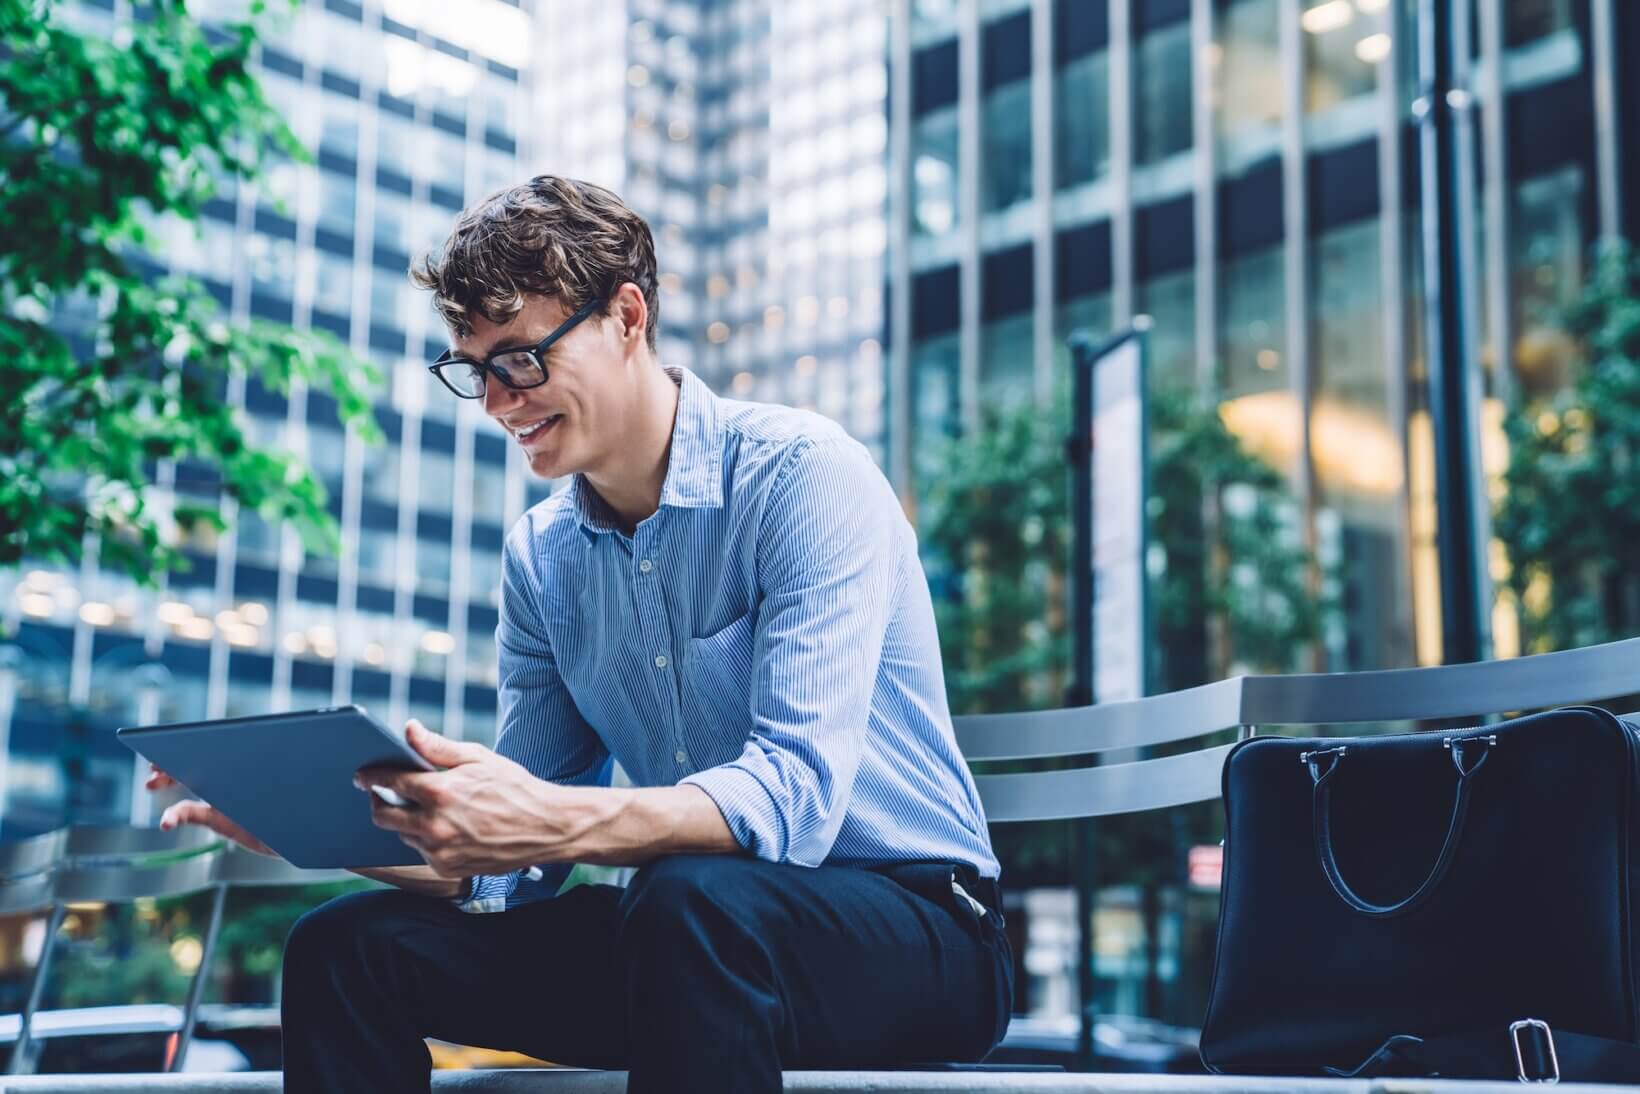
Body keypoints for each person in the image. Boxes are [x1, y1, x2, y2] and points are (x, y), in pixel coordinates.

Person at [151, 175, 1012, 1094]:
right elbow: (515, 872)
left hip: (920, 931)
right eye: (474, 370)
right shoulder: (542, 559)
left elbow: (795, 800)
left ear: (627, 315)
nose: (497, 402)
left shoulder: (804, 476)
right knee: (345, 946)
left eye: (521, 358)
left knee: (687, 902)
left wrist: (550, 819)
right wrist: (339, 833)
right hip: (694, 950)